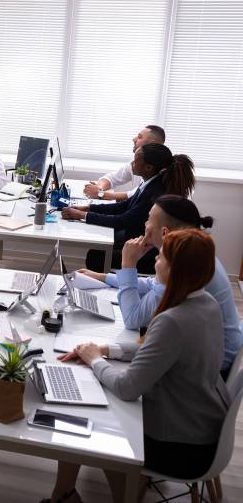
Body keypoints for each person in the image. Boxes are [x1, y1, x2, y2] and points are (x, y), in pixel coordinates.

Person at [44, 229, 229, 503]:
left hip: (181, 446)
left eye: (162, 258)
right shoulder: (207, 304)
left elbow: (128, 387)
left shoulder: (173, 321)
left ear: (177, 270)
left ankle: (78, 495)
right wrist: (107, 349)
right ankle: (64, 494)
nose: (155, 261)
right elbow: (156, 348)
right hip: (202, 427)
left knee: (95, 424)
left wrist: (95, 359)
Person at [78, 195, 242, 378]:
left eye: (148, 219)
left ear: (165, 232)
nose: (145, 223)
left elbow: (133, 319)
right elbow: (151, 284)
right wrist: (103, 277)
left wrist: (128, 265)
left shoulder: (182, 267)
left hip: (211, 369)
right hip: (216, 349)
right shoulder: (193, 252)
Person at [61, 143, 194, 273]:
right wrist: (89, 208)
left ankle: (103, 287)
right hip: (135, 237)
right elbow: (123, 206)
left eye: (135, 161)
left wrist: (81, 216)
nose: (132, 164)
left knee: (96, 255)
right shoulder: (149, 182)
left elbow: (122, 221)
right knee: (99, 244)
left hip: (147, 254)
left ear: (148, 167)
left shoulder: (155, 193)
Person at [83, 125, 166, 201]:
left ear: (152, 143)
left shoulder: (160, 173)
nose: (134, 139)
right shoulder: (137, 162)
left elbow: (133, 195)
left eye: (140, 137)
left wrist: (99, 194)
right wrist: (99, 188)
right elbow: (112, 178)